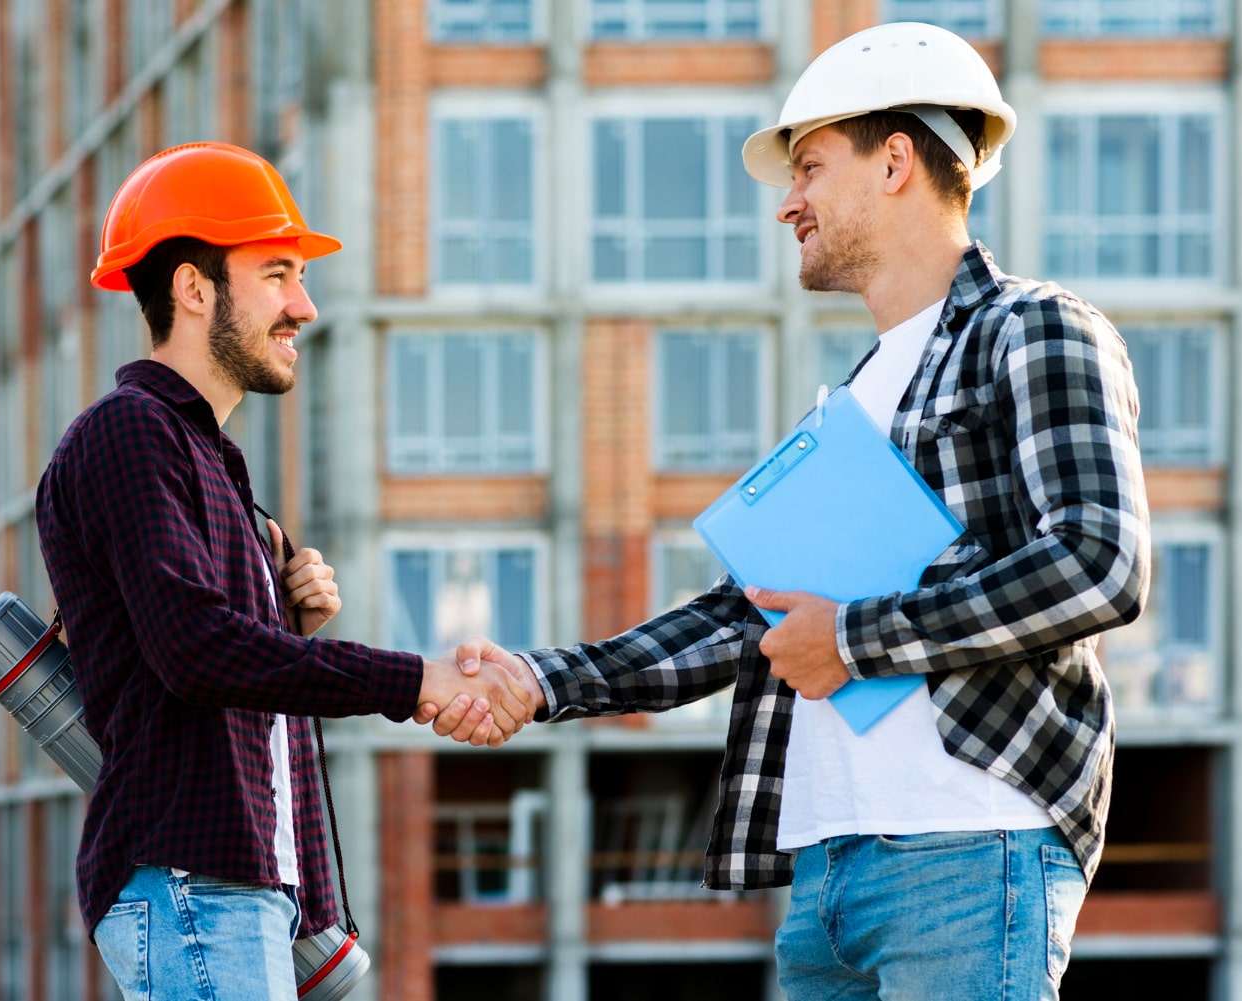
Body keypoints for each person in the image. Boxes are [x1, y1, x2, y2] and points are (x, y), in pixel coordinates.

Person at [424, 21, 1150, 1000]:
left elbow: (1100, 562)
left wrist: (854, 637)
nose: (788, 204)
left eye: (808, 167)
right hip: (826, 874)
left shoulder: (1035, 328)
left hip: (967, 845)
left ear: (896, 162)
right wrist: (539, 680)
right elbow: (750, 615)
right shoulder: (851, 400)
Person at [36, 141, 534, 1001]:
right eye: (277, 273)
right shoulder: (131, 433)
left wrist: (281, 627)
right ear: (194, 289)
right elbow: (193, 650)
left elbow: (194, 658)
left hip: (234, 890)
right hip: (194, 881)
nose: (304, 305)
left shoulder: (211, 462)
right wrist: (412, 676)